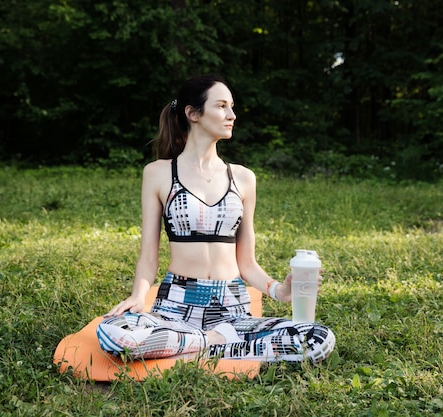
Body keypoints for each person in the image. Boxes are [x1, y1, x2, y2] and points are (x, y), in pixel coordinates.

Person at [96, 74, 335, 363]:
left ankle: (196, 346)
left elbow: (246, 263)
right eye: (221, 106)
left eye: (232, 107)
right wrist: (138, 296)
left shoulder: (244, 178)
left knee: (319, 338)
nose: (232, 115)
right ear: (193, 113)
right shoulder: (158, 173)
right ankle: (215, 345)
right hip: (175, 308)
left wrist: (280, 290)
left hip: (232, 310)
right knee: (112, 332)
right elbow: (149, 257)